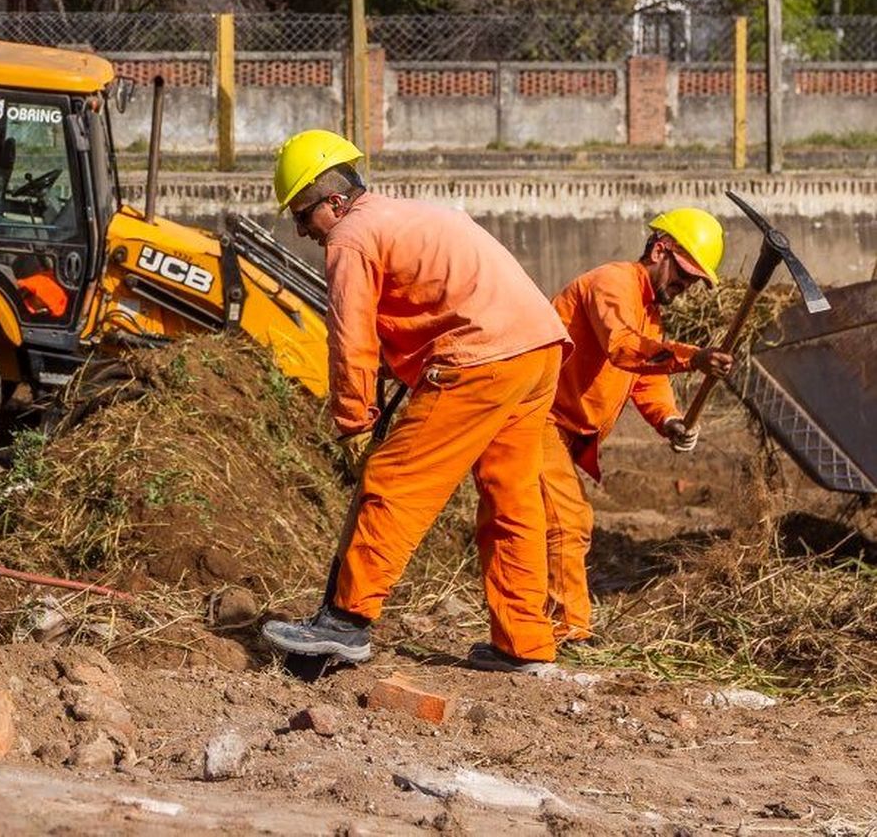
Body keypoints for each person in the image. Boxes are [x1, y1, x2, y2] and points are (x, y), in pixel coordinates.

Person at [260, 130, 571, 674]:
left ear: (334, 202)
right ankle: (524, 644)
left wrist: (355, 420)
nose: (301, 229)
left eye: (303, 214)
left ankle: (346, 622)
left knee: (396, 482)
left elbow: (350, 338)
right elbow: (425, 302)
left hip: (481, 357)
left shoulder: (351, 238)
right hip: (537, 348)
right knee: (512, 499)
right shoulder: (408, 215)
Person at [542, 208, 733, 645]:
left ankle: (534, 622)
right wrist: (695, 357)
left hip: (567, 434)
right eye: (683, 273)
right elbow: (623, 349)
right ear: (660, 249)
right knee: (567, 521)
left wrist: (669, 420)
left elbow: (645, 376)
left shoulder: (649, 309)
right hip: (538, 419)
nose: (685, 287)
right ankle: (566, 631)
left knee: (539, 523)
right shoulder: (613, 283)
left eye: (693, 281)